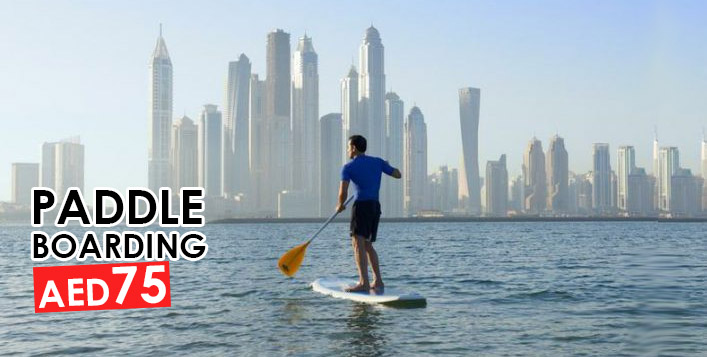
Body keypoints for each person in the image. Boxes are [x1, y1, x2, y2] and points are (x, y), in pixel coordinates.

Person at [336, 135, 401, 292]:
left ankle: (364, 282)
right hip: (374, 206)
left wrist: (340, 205)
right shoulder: (378, 162)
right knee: (367, 245)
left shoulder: (348, 167)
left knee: (357, 244)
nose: (347, 150)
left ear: (354, 148)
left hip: (361, 207)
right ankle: (378, 281)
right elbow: (398, 174)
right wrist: (387, 165)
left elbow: (343, 191)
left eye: (348, 147)